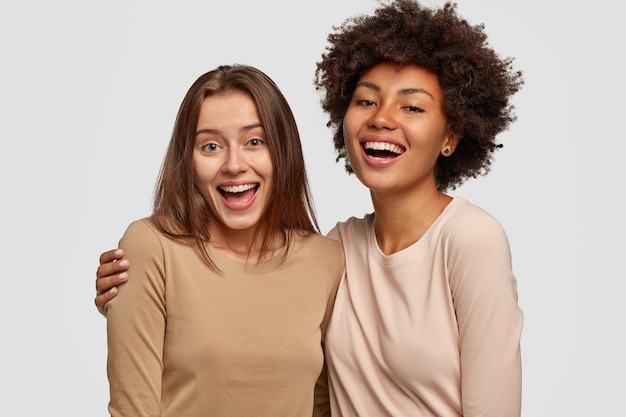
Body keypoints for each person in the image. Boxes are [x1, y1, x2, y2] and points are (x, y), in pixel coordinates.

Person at [96, 1, 524, 416]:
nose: (381, 119)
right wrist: (132, 302)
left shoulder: (469, 240)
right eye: (366, 101)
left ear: (452, 136)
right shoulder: (338, 249)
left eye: (412, 107)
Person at [101, 64, 344, 417]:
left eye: (255, 142)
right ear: (189, 161)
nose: (234, 165)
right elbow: (133, 409)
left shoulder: (326, 260)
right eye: (211, 146)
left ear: (284, 151)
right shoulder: (152, 247)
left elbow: (322, 404)